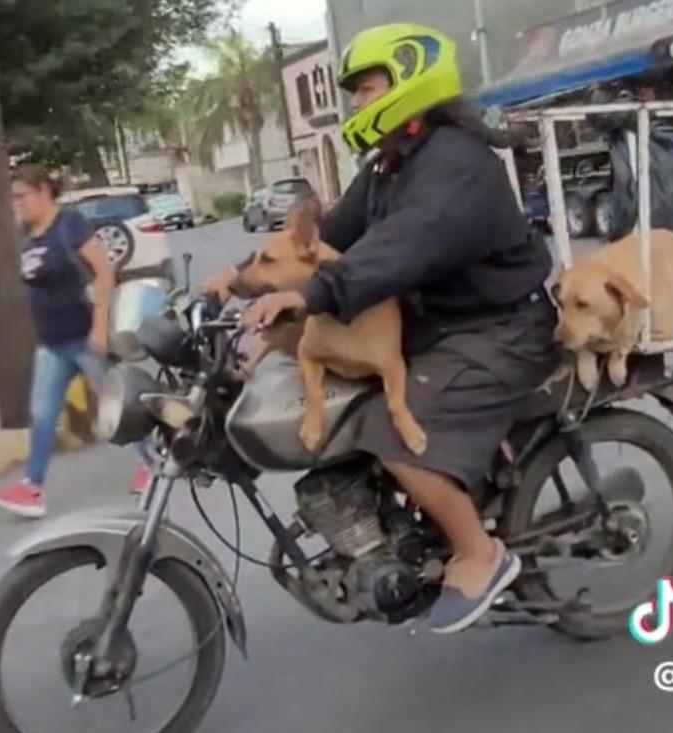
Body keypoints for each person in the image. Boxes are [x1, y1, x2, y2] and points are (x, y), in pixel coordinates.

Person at [234, 23, 559, 633]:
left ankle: (478, 554)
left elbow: (396, 252)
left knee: (391, 428)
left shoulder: (454, 162)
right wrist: (245, 282)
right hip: (442, 324)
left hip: (499, 328)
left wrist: (313, 292)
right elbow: (332, 236)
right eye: (354, 91)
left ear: (411, 78)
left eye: (367, 87)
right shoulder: (391, 163)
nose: (357, 101)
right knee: (334, 392)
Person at [0, 166, 118, 518]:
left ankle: (155, 462)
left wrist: (101, 328)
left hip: (82, 336)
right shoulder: (30, 236)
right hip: (51, 343)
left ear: (43, 191)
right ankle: (32, 487)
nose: (17, 204)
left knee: (117, 406)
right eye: (13, 197)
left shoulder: (70, 224)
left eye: (21, 196)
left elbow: (104, 273)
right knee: (42, 415)